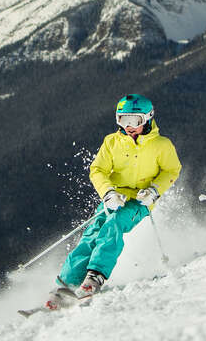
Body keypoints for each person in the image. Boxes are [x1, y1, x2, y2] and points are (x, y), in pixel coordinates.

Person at [47, 93, 181, 310]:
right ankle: (65, 285)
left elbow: (172, 169)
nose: (128, 126)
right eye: (122, 120)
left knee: (114, 224)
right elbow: (97, 169)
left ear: (147, 118)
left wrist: (154, 191)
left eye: (134, 121)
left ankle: (95, 276)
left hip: (139, 201)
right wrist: (107, 192)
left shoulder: (161, 145)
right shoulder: (112, 142)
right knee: (92, 234)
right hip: (114, 198)